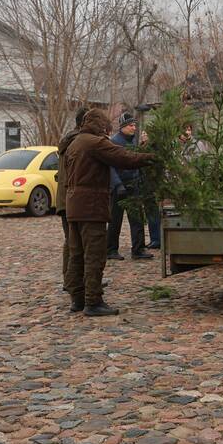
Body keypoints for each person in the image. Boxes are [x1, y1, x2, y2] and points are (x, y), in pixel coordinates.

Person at [64, 108, 155, 316]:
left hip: (74, 205)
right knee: (94, 255)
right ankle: (93, 301)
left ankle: (77, 299)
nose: (107, 131)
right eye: (105, 127)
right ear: (99, 125)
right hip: (91, 207)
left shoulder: (75, 143)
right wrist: (151, 157)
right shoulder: (95, 142)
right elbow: (123, 157)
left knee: (76, 255)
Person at [107, 112, 159, 258]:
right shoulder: (114, 142)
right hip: (120, 188)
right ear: (122, 127)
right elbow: (110, 166)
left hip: (134, 185)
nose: (133, 128)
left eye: (135, 125)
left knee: (137, 218)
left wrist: (140, 179)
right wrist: (117, 185)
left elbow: (137, 162)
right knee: (115, 220)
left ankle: (138, 249)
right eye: (130, 125)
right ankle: (111, 249)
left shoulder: (134, 141)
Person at [55, 107, 89, 283]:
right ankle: (73, 280)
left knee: (71, 241)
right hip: (71, 197)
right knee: (75, 241)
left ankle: (71, 278)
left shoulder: (68, 140)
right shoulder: (78, 142)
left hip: (65, 197)